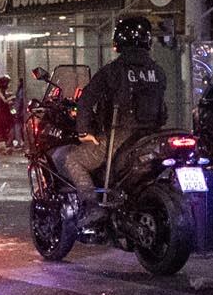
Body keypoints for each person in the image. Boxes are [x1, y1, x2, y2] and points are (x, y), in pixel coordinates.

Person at [51, 15, 168, 230]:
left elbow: (86, 101)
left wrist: (84, 131)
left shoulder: (113, 71)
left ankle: (92, 206)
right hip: (150, 137)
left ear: (119, 41)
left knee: (72, 160)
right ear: (147, 41)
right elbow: (163, 111)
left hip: (118, 138)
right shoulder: (158, 72)